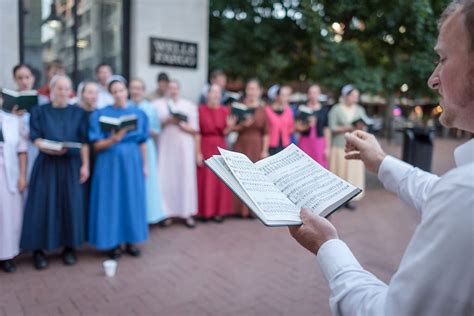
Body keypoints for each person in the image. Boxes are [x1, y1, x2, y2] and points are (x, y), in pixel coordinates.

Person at [289, 1, 474, 314]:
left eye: (442, 59)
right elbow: (439, 194)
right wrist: (380, 161)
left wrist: (328, 245)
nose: (433, 79)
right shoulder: (459, 192)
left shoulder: (464, 193)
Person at [20, 75, 89, 270]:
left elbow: (83, 141)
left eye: (67, 88)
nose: (64, 92)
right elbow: (36, 138)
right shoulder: (39, 111)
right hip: (47, 163)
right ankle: (38, 250)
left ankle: (69, 247)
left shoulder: (79, 113)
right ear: (51, 91)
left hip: (71, 164)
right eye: (60, 88)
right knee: (42, 205)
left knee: (70, 204)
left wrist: (85, 166)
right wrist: (47, 147)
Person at [88, 76, 149, 259]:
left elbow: (143, 143)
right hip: (108, 162)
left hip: (131, 162)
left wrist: (145, 165)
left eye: (121, 90)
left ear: (126, 91)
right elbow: (96, 145)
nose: (119, 94)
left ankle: (131, 240)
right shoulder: (100, 114)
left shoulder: (138, 113)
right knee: (111, 200)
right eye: (114, 92)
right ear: (110, 94)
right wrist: (112, 139)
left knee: (130, 198)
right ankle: (112, 243)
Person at [154, 80, 199, 228]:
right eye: (170, 88)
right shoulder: (158, 104)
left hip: (184, 145)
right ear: (167, 89)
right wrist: (167, 121)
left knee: (185, 177)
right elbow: (154, 128)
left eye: (175, 88)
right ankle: (167, 213)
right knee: (166, 177)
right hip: (166, 145)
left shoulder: (189, 105)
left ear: (179, 89)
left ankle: (187, 213)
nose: (173, 90)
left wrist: (181, 124)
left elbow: (195, 130)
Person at [196, 84, 236, 222]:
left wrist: (230, 127)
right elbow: (198, 132)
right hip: (205, 144)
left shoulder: (225, 111)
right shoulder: (200, 110)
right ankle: (205, 212)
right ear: (207, 94)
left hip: (220, 144)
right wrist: (198, 152)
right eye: (213, 92)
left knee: (218, 178)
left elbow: (225, 133)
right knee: (205, 179)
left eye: (218, 93)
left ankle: (219, 211)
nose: (215, 95)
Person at [129, 78, 166, 224]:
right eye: (133, 88)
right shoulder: (126, 106)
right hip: (131, 146)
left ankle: (149, 215)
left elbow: (157, 129)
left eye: (138, 88)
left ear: (143, 91)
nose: (136, 91)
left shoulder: (150, 108)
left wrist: (149, 131)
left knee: (148, 180)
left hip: (147, 146)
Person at [232, 79, 269, 218]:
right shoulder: (239, 107)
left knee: (255, 179)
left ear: (259, 91)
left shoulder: (263, 110)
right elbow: (231, 128)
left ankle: (253, 211)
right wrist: (243, 125)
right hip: (241, 144)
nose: (251, 92)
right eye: (249, 89)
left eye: (254, 89)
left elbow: (266, 132)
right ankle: (239, 210)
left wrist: (264, 150)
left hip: (256, 146)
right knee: (241, 177)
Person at [328, 85, 368, 209]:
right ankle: (337, 200)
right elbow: (332, 128)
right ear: (346, 96)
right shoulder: (336, 109)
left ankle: (349, 199)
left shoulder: (360, 109)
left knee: (352, 174)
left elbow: (365, 125)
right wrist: (349, 128)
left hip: (354, 146)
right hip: (339, 146)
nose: (355, 98)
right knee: (338, 172)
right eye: (353, 96)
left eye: (357, 96)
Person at [0, 107, 28, 273]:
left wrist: (23, 175)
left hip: (8, 172)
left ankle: (7, 255)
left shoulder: (12, 120)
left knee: (8, 216)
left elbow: (22, 150)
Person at [12, 64, 48, 178]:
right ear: (15, 79)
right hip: (15, 152)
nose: (24, 81)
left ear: (33, 78)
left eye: (27, 77)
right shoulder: (9, 102)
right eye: (20, 78)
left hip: (37, 149)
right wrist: (12, 117)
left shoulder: (43, 101)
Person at [296, 84, 330, 168]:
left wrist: (327, 147)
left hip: (319, 142)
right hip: (305, 141)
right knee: (303, 165)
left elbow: (327, 129)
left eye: (315, 93)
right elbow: (297, 127)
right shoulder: (303, 108)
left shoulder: (324, 110)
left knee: (319, 165)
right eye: (310, 93)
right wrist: (308, 125)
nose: (312, 95)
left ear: (319, 94)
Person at [265, 85, 295, 156]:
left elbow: (291, 128)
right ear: (277, 96)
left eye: (287, 95)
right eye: (283, 95)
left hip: (285, 145)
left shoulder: (289, 111)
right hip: (271, 146)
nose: (285, 98)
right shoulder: (267, 110)